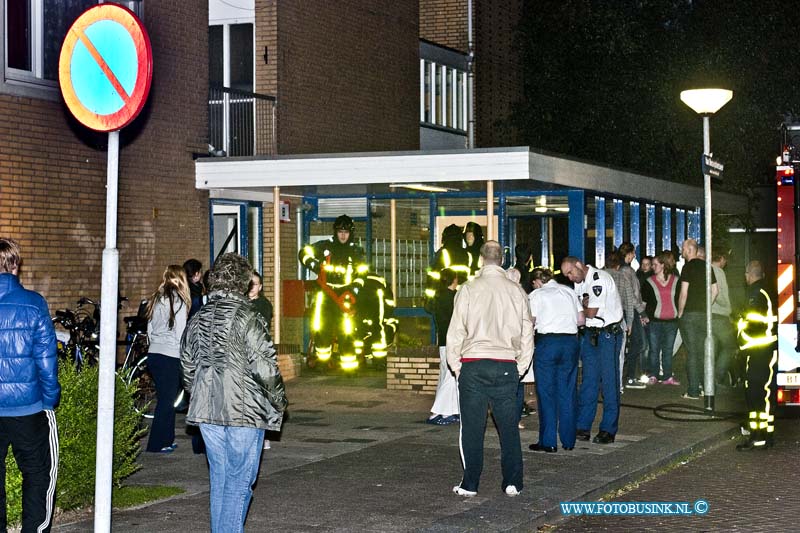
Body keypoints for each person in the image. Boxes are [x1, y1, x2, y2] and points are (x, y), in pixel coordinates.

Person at [181, 253, 288, 531]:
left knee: (221, 479)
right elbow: (264, 365)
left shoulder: (198, 316)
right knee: (239, 482)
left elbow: (187, 362)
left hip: (207, 411)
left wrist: (198, 392)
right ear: (242, 282)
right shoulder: (247, 316)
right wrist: (278, 401)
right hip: (244, 410)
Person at [447, 241, 534, 497]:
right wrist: (520, 367)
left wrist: (456, 366)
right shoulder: (516, 290)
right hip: (506, 365)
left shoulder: (468, 289)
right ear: (502, 258)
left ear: (481, 259)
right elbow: (527, 332)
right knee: (508, 427)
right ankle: (513, 482)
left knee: (472, 428)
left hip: (473, 364)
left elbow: (456, 332)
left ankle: (470, 483)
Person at [0, 238, 60, 533]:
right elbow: (46, 359)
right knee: (39, 476)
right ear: (15, 264)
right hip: (29, 407)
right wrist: (50, 400)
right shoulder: (34, 304)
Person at [561, 256, 623, 444]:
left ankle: (608, 429)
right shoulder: (580, 283)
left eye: (571, 272)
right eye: (566, 275)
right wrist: (582, 307)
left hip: (607, 335)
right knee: (588, 381)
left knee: (609, 382)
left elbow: (590, 312)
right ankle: (583, 426)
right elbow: (581, 311)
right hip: (590, 334)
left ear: (579, 265)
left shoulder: (598, 279)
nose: (570, 278)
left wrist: (583, 307)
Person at [298, 215, 367, 370]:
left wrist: (353, 290)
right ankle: (323, 362)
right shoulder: (324, 246)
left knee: (347, 331)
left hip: (345, 295)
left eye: (346, 232)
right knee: (322, 328)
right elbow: (303, 253)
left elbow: (362, 273)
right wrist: (314, 265)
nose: (343, 235)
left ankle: (348, 367)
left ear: (351, 233)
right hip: (325, 293)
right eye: (340, 231)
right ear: (335, 232)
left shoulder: (356, 251)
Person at [527, 267, 585, 453]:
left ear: (538, 281)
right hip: (570, 342)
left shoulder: (537, 294)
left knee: (546, 392)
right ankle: (568, 441)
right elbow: (581, 321)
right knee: (568, 391)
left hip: (548, 343)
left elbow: (531, 321)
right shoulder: (568, 291)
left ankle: (548, 441)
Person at [145, 265, 191, 453]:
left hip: (154, 354)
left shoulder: (156, 299)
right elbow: (181, 333)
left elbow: (149, 328)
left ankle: (168, 438)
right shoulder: (178, 302)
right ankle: (156, 443)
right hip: (170, 355)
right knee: (166, 401)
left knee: (167, 398)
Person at [735, 260, 778, 451]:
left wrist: (740, 337)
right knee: (757, 395)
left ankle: (760, 436)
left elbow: (752, 325)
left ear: (749, 274)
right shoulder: (763, 292)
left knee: (758, 394)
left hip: (761, 351)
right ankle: (761, 434)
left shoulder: (756, 294)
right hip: (760, 351)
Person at [677, 239, 718, 400]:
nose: (682, 251)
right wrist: (707, 306)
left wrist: (680, 312)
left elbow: (684, 292)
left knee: (692, 353)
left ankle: (693, 390)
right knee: (703, 351)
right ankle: (707, 387)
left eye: (683, 248)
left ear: (689, 250)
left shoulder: (688, 267)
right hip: (704, 315)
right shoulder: (708, 266)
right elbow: (715, 290)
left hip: (690, 315)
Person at [425, 268, 459, 425]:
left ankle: (450, 410)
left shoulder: (438, 296)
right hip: (453, 341)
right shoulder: (452, 298)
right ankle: (439, 411)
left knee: (445, 375)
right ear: (454, 280)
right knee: (450, 377)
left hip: (443, 341)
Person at [641, 251, 681, 384]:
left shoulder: (676, 280)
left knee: (668, 350)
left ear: (663, 265)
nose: (653, 267)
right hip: (654, 321)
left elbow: (680, 298)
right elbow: (644, 303)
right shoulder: (648, 282)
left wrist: (680, 314)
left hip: (672, 321)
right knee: (654, 349)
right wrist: (643, 315)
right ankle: (654, 375)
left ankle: (668, 376)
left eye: (655, 264)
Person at [604, 251, 637, 390]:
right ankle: (618, 386)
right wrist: (629, 323)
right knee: (619, 355)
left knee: (603, 356)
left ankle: (604, 384)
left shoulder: (599, 276)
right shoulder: (623, 278)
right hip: (619, 319)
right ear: (618, 265)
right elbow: (629, 302)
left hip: (601, 319)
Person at [618, 242, 650, 386]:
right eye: (633, 253)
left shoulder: (625, 270)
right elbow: (632, 294)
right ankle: (629, 376)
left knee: (636, 343)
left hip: (629, 309)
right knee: (639, 343)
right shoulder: (626, 271)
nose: (635, 255)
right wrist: (642, 312)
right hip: (631, 309)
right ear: (629, 254)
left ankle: (629, 375)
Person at [710, 253, 737, 387]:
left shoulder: (706, 269)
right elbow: (719, 293)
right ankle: (718, 377)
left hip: (709, 315)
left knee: (713, 347)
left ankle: (710, 379)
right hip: (720, 315)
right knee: (730, 346)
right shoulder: (718, 271)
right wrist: (727, 306)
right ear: (721, 258)